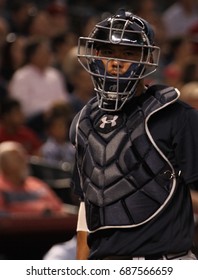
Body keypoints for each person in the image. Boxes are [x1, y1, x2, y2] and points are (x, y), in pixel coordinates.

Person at [69, 9, 198, 260]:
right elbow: (88, 202)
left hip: (166, 261)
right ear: (95, 55)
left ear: (147, 58)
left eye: (128, 53)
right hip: (105, 263)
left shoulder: (176, 115)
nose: (116, 61)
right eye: (107, 52)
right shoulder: (84, 120)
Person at [0, 141, 63, 216]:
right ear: (3, 163)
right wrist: (39, 210)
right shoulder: (1, 187)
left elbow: (57, 208)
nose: (23, 160)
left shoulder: (37, 184)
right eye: (16, 157)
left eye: (23, 156)